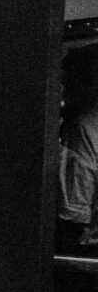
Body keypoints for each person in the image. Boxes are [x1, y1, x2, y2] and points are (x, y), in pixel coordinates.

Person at [56, 45, 98, 257]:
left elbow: (73, 209)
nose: (63, 89)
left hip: (87, 248)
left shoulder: (83, 128)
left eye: (68, 80)